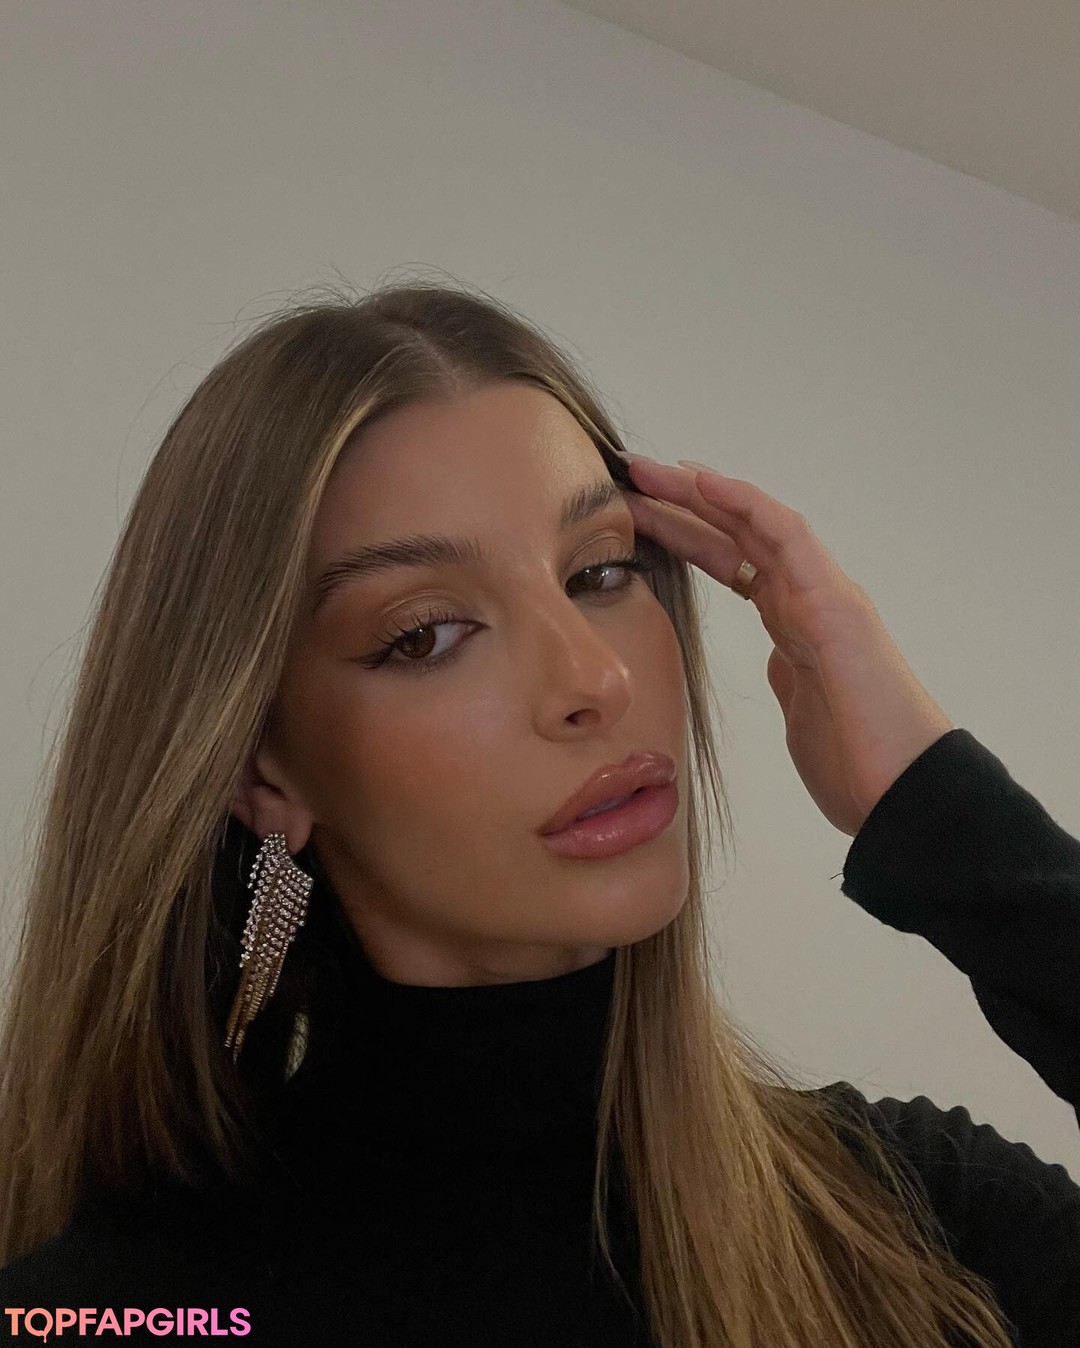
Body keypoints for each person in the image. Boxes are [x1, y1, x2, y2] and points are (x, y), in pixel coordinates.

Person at [0, 279, 1076, 1348]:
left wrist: (938, 802)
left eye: (601, 571)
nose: (597, 678)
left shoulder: (925, 1229)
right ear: (262, 776)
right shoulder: (109, 1312)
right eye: (425, 634)